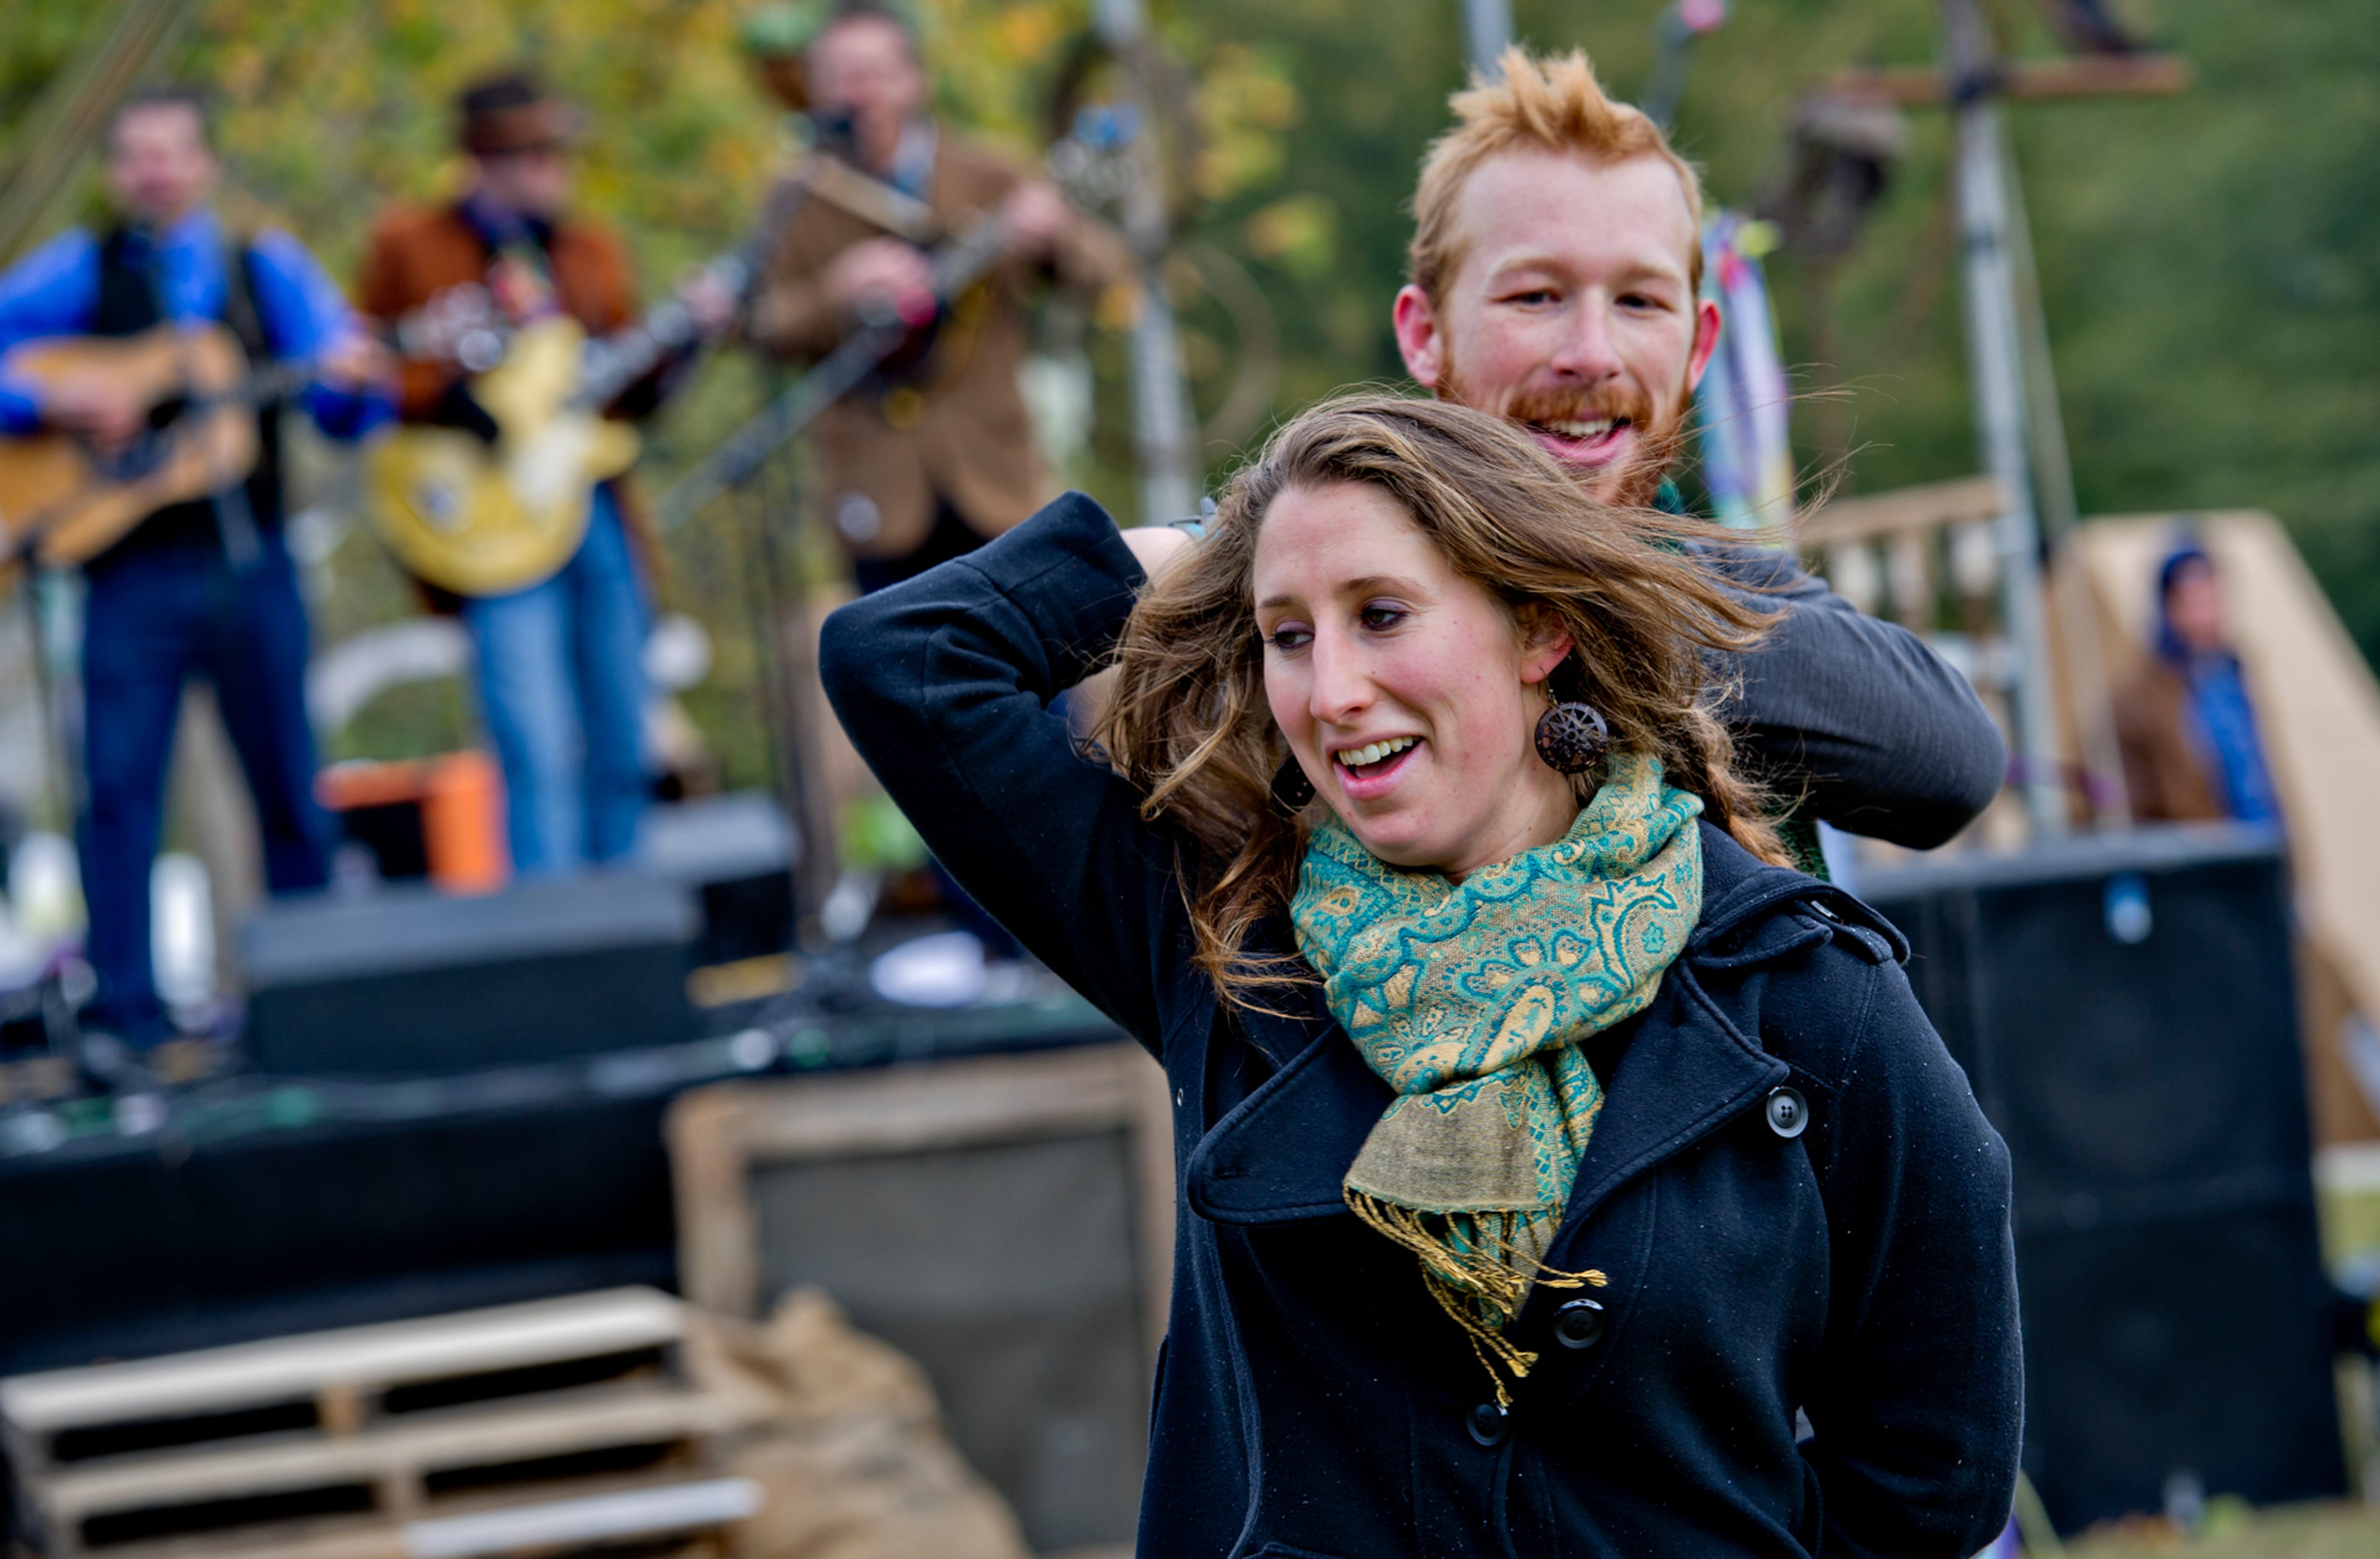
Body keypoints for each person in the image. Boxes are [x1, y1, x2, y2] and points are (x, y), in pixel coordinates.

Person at [821, 394, 2019, 1555]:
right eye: (1288, 633)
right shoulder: (1228, 950)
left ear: (1540, 628)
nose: (1332, 692)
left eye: (1382, 613)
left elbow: (1930, 1474)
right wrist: (1214, 539)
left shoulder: (1798, 989)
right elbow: (907, 661)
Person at [1390, 48, 2005, 856]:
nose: (1592, 352)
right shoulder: (1304, 588)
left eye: (1639, 301)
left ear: (1697, 347)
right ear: (1425, 335)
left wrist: (1578, 621)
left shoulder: (1728, 588)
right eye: (1535, 295)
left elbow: (1952, 762)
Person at [0, 86, 387, 1064]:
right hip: (126, 576)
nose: (154, 172)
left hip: (250, 562)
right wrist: (58, 402)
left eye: (171, 152)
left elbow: (340, 401)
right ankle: (124, 1017)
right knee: (120, 789)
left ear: (206, 163)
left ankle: (310, 1004)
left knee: (290, 785)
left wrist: (355, 381)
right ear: (115, 172)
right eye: (135, 155)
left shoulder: (265, 266)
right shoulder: (77, 272)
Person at [356, 72, 731, 875]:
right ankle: (552, 938)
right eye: (532, 153)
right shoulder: (410, 244)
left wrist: (690, 339)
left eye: (556, 151)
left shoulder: (589, 248)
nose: (552, 169)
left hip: (592, 506)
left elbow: (633, 397)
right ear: (482, 158)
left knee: (625, 728)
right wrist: (447, 400)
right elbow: (362, 366)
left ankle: (624, 920)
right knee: (530, 737)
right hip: (492, 524)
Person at [745, 0, 1132, 594]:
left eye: (875, 72)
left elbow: (1108, 270)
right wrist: (838, 290)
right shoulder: (797, 198)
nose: (860, 93)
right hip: (877, 496)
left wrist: (1053, 236)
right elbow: (761, 325)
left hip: (996, 483)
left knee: (1041, 671)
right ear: (816, 91)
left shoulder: (988, 171)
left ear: (915, 79)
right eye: (841, 76)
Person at [2114, 542, 2281, 824]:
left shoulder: (2236, 675)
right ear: (2170, 609)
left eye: (2213, 599)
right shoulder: (2142, 700)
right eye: (2196, 602)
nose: (2208, 614)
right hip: (2206, 851)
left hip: (2263, 844)